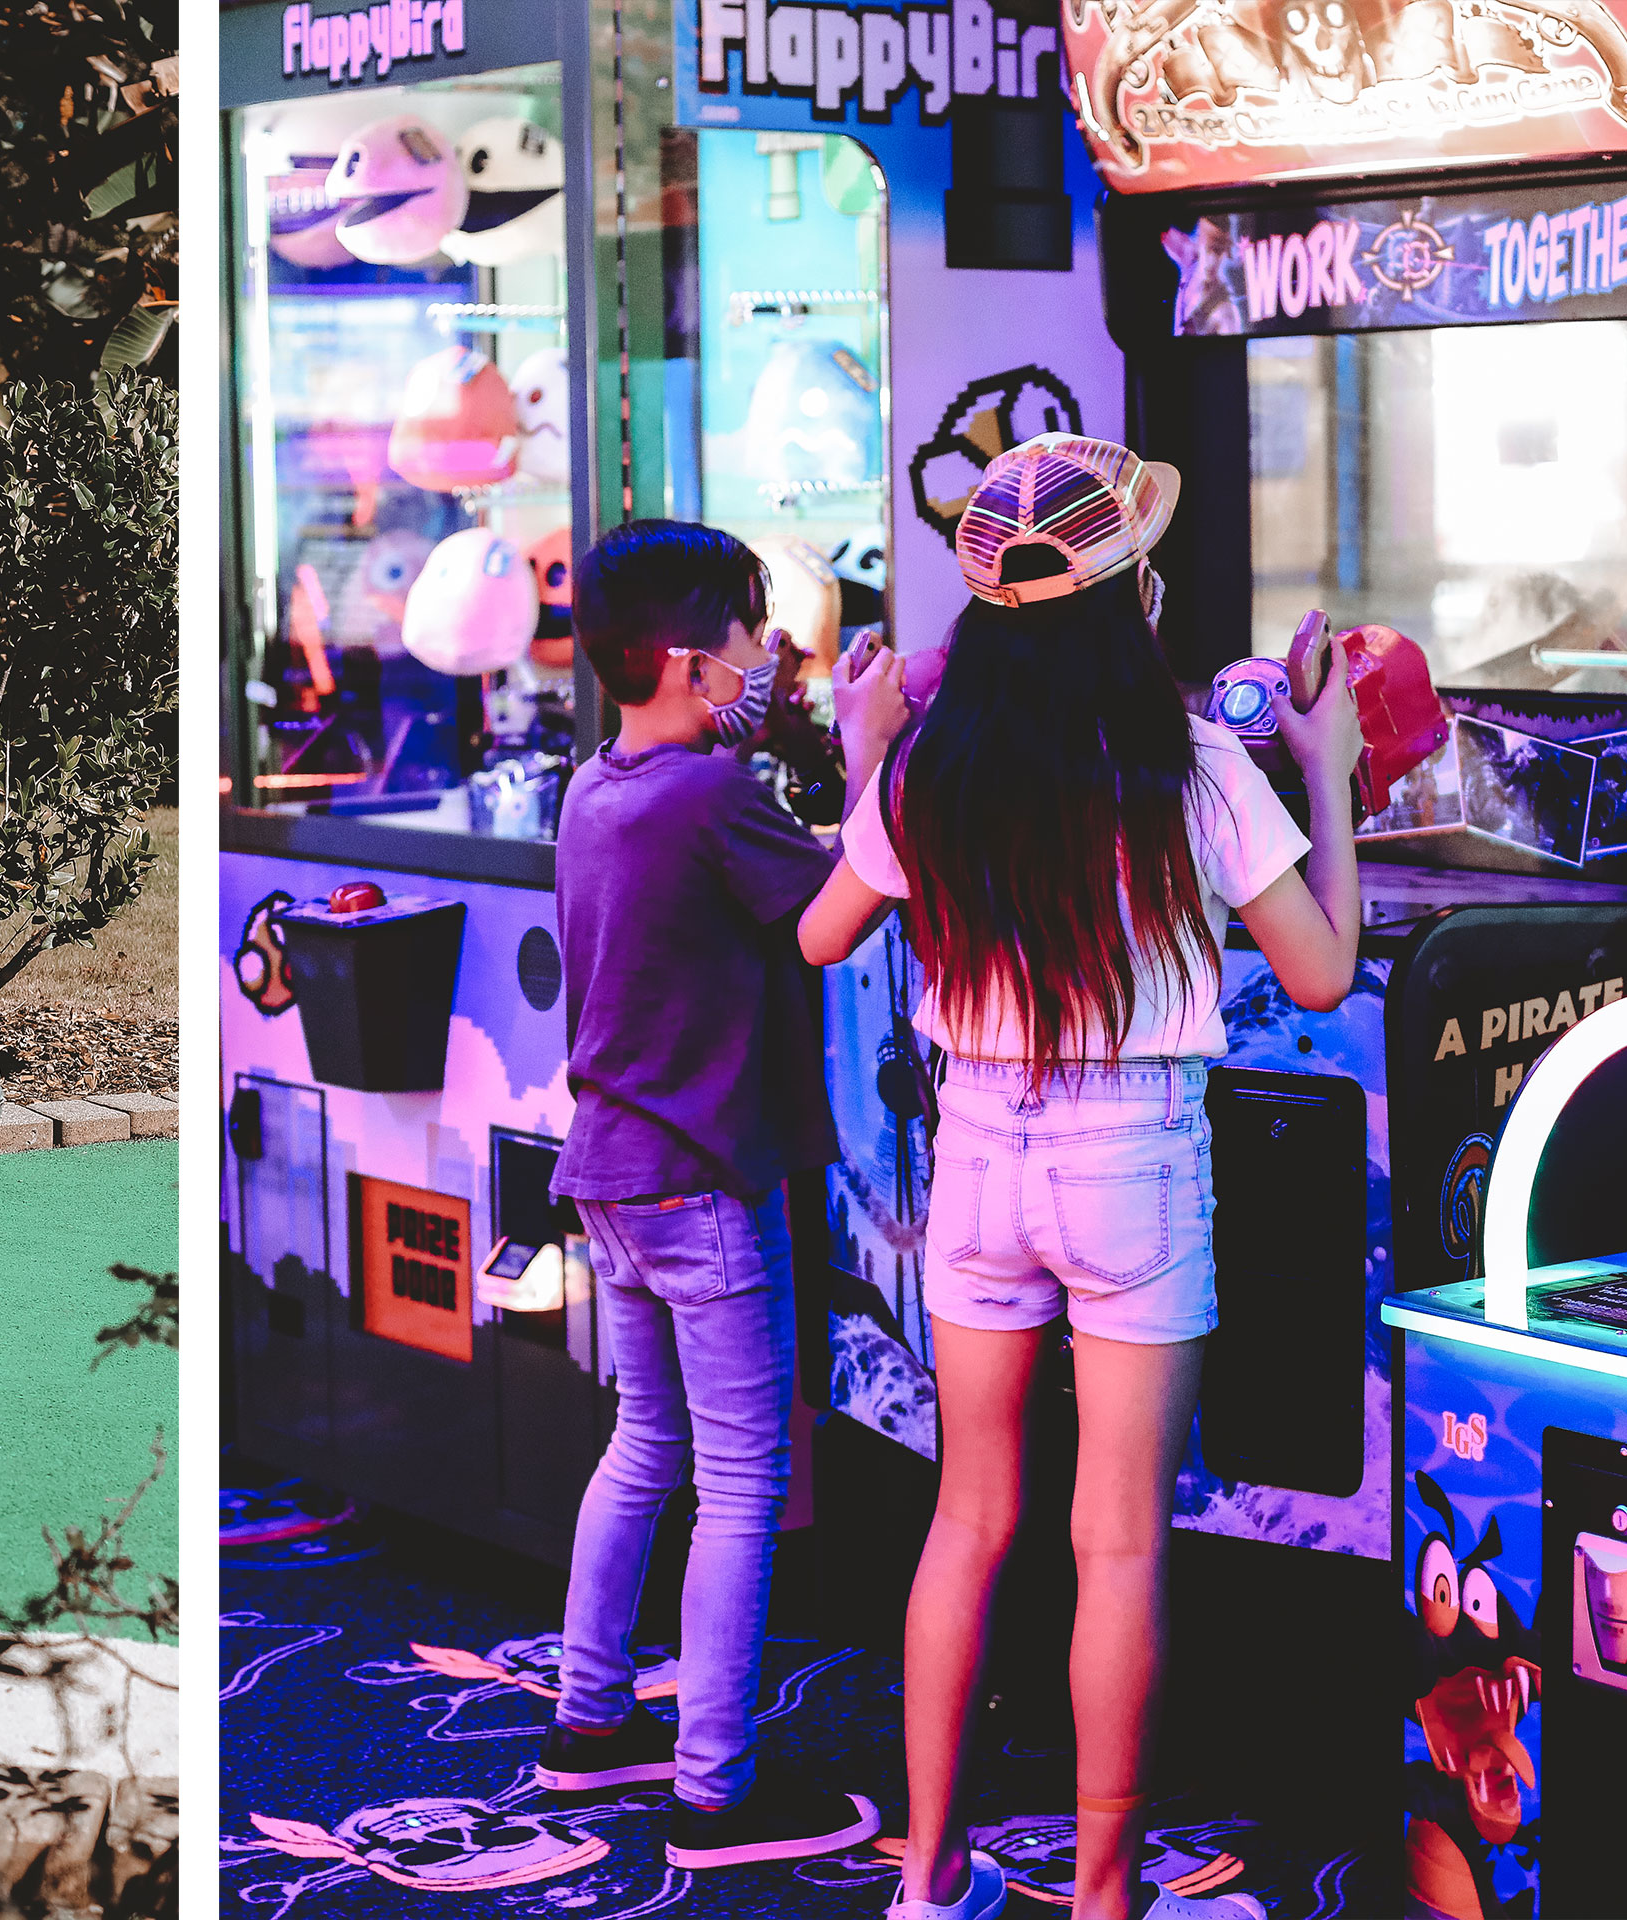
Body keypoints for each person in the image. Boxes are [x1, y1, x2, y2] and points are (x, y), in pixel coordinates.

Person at [797, 436, 1363, 1920]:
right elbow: (1321, 975)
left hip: (978, 1154)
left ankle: (929, 1878)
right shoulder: (1195, 764)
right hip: (1133, 1164)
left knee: (967, 1517)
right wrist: (1330, 772)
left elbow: (820, 933)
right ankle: (1104, 1896)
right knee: (1114, 1540)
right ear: (1134, 598)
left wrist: (869, 755)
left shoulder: (934, 766)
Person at [535, 521, 904, 1868]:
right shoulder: (709, 795)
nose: (770, 655)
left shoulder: (598, 786)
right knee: (744, 1481)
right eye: (753, 637)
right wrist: (871, 750)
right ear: (695, 663)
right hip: (702, 1183)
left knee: (643, 1445)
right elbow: (837, 912)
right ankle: (716, 1790)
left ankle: (588, 1720)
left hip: (613, 1177)